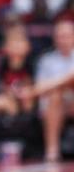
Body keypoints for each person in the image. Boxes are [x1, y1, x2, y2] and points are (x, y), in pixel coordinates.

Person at [25, 20, 74, 162]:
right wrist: (59, 86)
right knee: (55, 96)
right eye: (60, 36)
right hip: (54, 104)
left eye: (67, 35)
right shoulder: (47, 60)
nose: (63, 40)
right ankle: (52, 150)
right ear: (55, 38)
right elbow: (40, 87)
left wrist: (56, 84)